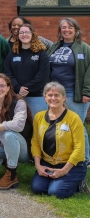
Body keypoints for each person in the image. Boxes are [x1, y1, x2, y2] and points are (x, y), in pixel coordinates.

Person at [31, 82, 88, 198]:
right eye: (50, 95)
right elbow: (35, 142)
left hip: (72, 164)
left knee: (55, 192)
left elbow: (79, 148)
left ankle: (79, 182)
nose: (53, 98)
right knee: (37, 188)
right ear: (45, 97)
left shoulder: (73, 118)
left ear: (64, 97)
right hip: (48, 162)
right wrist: (38, 165)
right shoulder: (38, 117)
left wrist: (64, 170)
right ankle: (56, 181)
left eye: (57, 95)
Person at [46, 17, 90, 161]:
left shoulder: (84, 48)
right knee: (61, 125)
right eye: (64, 27)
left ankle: (85, 158)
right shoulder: (55, 46)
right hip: (55, 94)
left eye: (70, 27)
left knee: (77, 125)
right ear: (60, 31)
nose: (67, 30)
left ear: (76, 30)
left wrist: (87, 92)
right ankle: (66, 155)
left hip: (73, 92)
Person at [4, 24, 49, 115]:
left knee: (37, 125)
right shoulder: (13, 53)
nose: (24, 35)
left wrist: (26, 89)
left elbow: (43, 75)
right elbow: (7, 73)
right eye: (21, 32)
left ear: (32, 34)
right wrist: (18, 88)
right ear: (18, 35)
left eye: (27, 32)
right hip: (16, 96)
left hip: (36, 97)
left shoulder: (41, 54)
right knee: (19, 126)